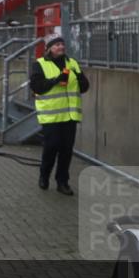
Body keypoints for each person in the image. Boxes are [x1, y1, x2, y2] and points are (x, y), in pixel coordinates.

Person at [29, 34, 89, 195]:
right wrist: (56, 79)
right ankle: (44, 175)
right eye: (57, 45)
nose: (61, 47)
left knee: (66, 150)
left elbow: (84, 87)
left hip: (70, 115)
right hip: (51, 115)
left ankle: (62, 182)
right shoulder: (39, 64)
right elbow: (36, 87)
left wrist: (80, 79)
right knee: (51, 146)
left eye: (62, 44)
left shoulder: (72, 63)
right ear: (49, 49)